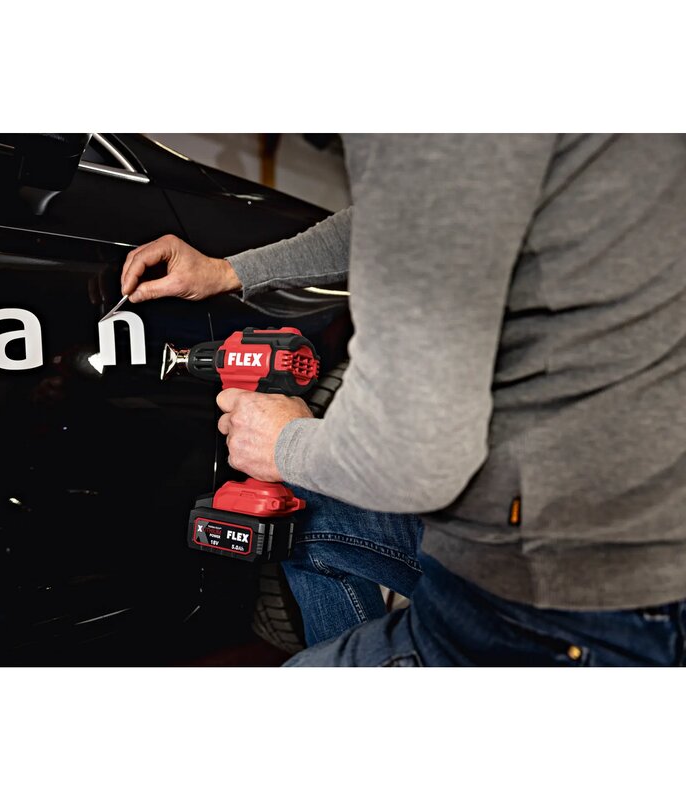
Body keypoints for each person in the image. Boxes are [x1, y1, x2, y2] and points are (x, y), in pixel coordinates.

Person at [121, 134, 686, 666]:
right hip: (620, 528)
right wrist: (230, 271)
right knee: (307, 516)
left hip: (564, 596)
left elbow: (416, 463)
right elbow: (396, 216)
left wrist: (285, 443)